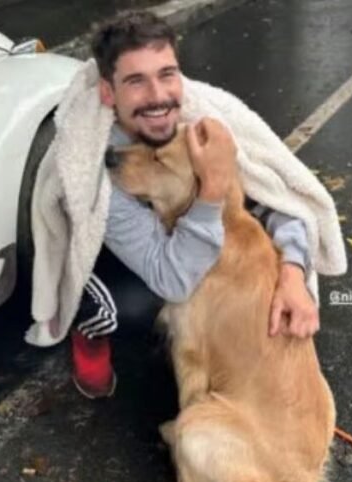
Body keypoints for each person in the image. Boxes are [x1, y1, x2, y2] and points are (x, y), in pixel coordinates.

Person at [66, 12, 317, 399]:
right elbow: (172, 279)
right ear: (108, 92)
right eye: (136, 81)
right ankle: (90, 331)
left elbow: (278, 195)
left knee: (257, 268)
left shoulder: (202, 117)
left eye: (166, 74)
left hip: (179, 233)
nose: (158, 96)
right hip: (116, 253)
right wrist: (213, 189)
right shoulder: (98, 165)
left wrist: (293, 271)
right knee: (133, 304)